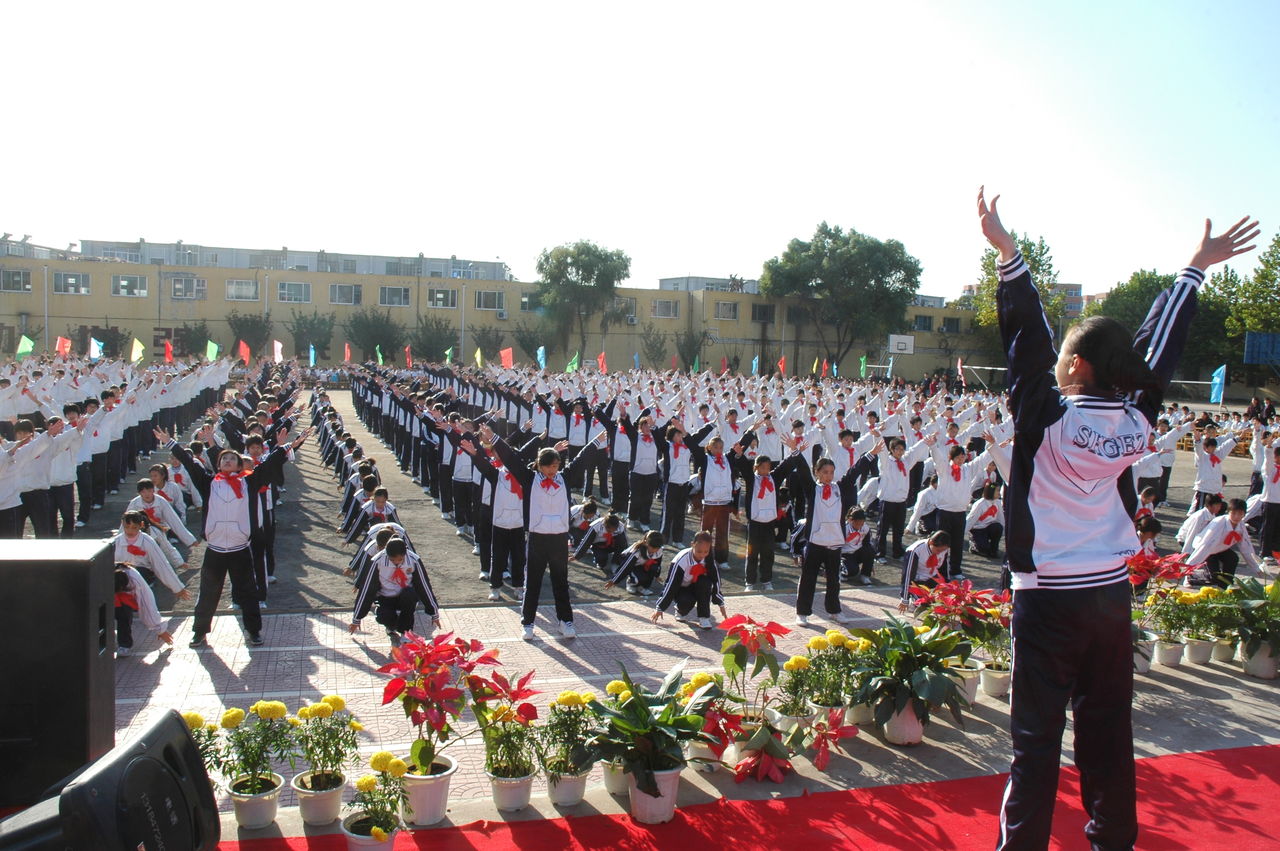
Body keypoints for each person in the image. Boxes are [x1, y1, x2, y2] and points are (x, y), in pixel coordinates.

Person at [980, 187, 1258, 850]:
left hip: (1047, 602)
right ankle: (1113, 840)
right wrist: (1193, 269)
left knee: (1035, 746)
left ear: (1074, 366)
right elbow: (1155, 350)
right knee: (1108, 732)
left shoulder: (1046, 420)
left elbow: (1024, 338)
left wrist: (1009, 255)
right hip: (1108, 596)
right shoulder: (1136, 419)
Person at [158, 423, 312, 648]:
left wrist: (281, 447)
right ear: (218, 464)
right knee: (208, 593)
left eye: (232, 459)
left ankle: (254, 631)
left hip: (240, 548)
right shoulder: (209, 484)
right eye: (224, 459)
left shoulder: (248, 482)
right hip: (216, 549)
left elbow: (268, 465)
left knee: (248, 593)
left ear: (240, 465)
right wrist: (171, 443)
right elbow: (191, 464)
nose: (228, 461)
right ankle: (200, 631)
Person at [348, 537, 441, 646]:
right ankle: (391, 626)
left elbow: (424, 586)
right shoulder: (377, 561)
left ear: (405, 553)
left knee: (409, 596)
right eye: (393, 560)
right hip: (386, 597)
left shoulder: (414, 560)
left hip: (406, 596)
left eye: (400, 559)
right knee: (386, 617)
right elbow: (367, 589)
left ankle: (406, 633)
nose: (396, 562)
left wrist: (434, 613)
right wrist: (357, 618)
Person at [650, 531, 728, 630]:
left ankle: (704, 617)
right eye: (699, 551)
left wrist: (720, 602)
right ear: (692, 545)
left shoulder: (709, 559)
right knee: (686, 601)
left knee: (705, 583)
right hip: (681, 587)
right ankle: (680, 610)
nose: (702, 555)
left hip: (697, 585)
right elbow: (670, 584)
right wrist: (660, 607)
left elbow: (716, 580)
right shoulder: (682, 560)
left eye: (706, 551)